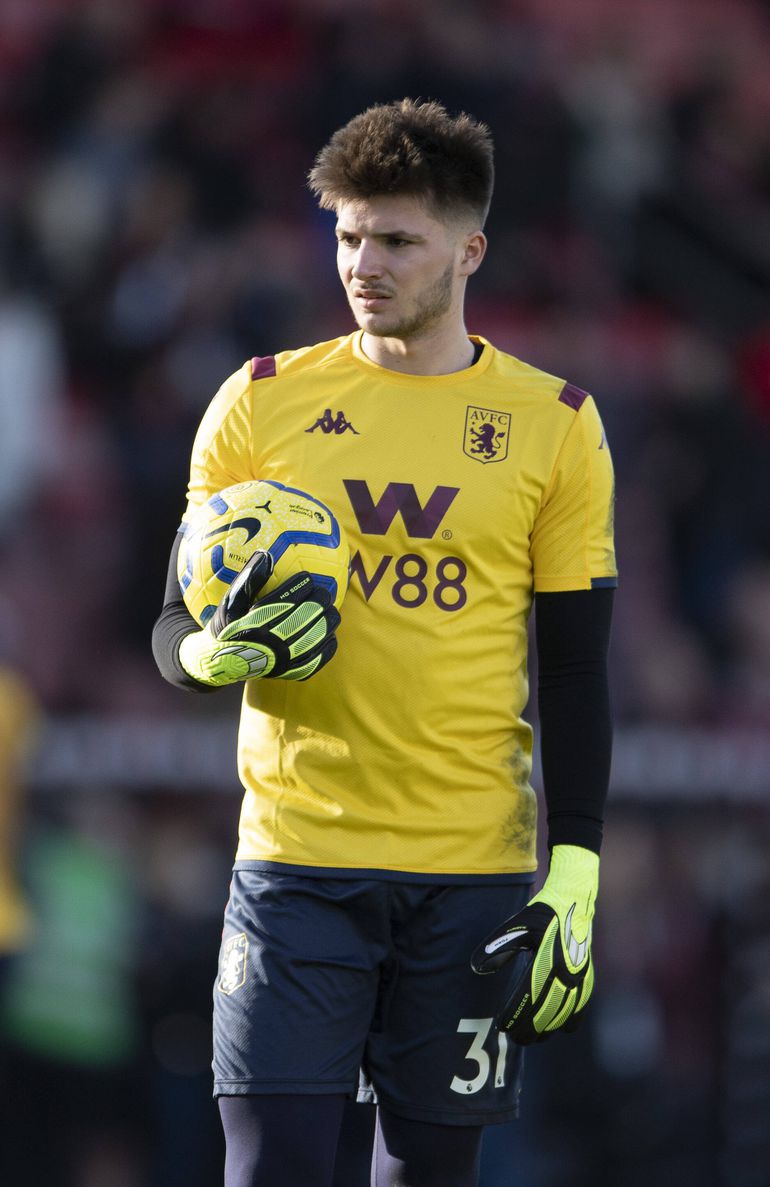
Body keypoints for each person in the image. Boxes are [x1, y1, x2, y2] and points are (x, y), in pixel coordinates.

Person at [152, 98, 617, 1187]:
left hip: (471, 873)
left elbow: (574, 666)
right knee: (270, 1167)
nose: (364, 265)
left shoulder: (555, 423)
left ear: (470, 251)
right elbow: (173, 621)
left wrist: (576, 866)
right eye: (349, 236)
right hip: (295, 861)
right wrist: (207, 659)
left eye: (398, 240)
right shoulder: (258, 403)